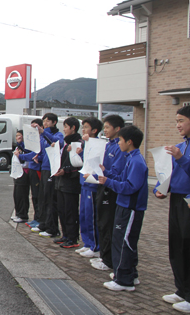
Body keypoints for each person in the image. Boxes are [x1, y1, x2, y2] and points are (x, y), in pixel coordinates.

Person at [99, 125, 148, 292]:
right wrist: (107, 174)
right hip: (125, 205)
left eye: (120, 140)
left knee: (123, 242)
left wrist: (108, 182)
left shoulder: (136, 161)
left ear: (129, 142)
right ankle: (130, 274)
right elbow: (121, 177)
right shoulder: (131, 158)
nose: (118, 143)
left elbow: (130, 187)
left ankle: (123, 280)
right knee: (126, 241)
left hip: (130, 207)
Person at [155, 106, 190, 313]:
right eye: (176, 121)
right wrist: (161, 190)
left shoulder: (180, 151)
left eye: (181, 120)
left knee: (188, 246)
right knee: (176, 245)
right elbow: (169, 175)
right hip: (177, 199)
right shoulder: (180, 146)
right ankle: (182, 290)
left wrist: (180, 157)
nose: (178, 125)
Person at [91, 114, 126, 271]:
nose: (104, 130)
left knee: (107, 223)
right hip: (102, 184)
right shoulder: (109, 145)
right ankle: (104, 256)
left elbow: (115, 171)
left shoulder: (120, 147)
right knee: (102, 222)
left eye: (107, 127)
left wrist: (105, 173)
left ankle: (108, 260)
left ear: (117, 129)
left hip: (110, 188)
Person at [30, 113, 64, 239]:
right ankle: (43, 223)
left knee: (50, 199)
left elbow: (58, 143)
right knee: (43, 197)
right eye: (44, 120)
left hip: (52, 169)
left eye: (48, 121)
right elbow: (45, 152)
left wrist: (43, 132)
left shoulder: (56, 134)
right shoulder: (43, 136)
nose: (45, 123)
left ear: (54, 122)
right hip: (44, 168)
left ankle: (52, 228)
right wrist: (38, 157)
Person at [53, 117, 82, 248]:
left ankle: (72, 238)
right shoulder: (66, 143)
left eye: (65, 127)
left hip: (71, 184)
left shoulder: (78, 143)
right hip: (61, 182)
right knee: (62, 210)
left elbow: (78, 165)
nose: (64, 129)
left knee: (70, 211)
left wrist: (65, 171)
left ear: (73, 128)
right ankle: (65, 235)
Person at [76, 117, 103, 258]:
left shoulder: (98, 144)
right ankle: (87, 243)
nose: (83, 130)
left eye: (86, 127)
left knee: (92, 216)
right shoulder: (86, 144)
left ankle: (95, 246)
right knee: (84, 215)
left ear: (94, 130)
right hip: (84, 183)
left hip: (92, 184)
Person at [19, 118, 43, 228]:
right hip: (33, 168)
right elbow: (29, 151)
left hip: (38, 169)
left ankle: (39, 219)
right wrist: (21, 145)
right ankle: (36, 218)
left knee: (38, 196)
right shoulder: (34, 139)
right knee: (34, 196)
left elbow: (33, 154)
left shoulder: (42, 138)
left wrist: (20, 156)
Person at [11, 130, 31, 223]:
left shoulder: (26, 148)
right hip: (17, 172)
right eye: (16, 135)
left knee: (22, 194)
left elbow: (25, 159)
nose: (17, 137)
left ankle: (23, 215)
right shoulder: (18, 147)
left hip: (24, 172)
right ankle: (18, 213)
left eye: (19, 135)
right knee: (16, 195)